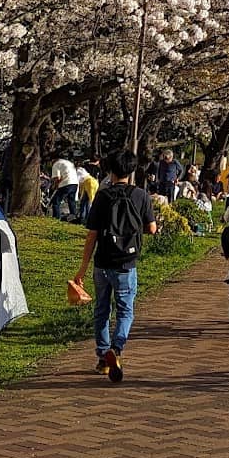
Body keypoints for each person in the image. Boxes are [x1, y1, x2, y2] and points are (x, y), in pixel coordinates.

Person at [74, 149, 158, 384]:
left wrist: (82, 269)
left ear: (110, 170)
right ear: (132, 170)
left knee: (102, 310)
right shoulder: (141, 195)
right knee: (125, 310)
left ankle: (103, 357)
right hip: (126, 263)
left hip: (102, 263)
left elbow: (92, 235)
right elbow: (152, 228)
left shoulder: (103, 196)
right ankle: (117, 348)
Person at [49, 148, 79, 222]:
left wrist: (54, 186)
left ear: (53, 159)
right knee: (71, 201)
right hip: (75, 183)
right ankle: (73, 216)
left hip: (66, 183)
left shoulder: (56, 164)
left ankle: (56, 218)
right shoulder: (68, 162)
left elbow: (57, 178)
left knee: (56, 201)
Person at [76, 160, 100, 225]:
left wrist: (77, 195)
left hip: (90, 184)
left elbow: (77, 182)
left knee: (89, 202)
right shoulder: (81, 170)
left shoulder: (78, 170)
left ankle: (87, 219)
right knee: (85, 201)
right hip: (91, 183)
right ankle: (85, 218)